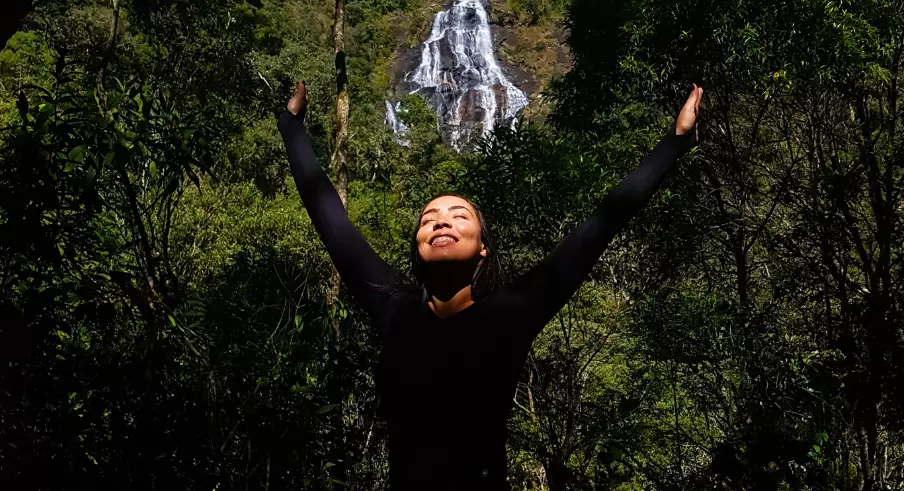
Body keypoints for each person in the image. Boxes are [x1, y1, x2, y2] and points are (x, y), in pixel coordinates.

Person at [278, 81, 702, 490]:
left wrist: (675, 142)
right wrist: (291, 126)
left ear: (483, 246)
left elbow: (600, 225)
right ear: (417, 246)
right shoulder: (394, 307)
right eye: (428, 219)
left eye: (459, 216)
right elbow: (329, 217)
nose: (441, 222)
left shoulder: (511, 313)